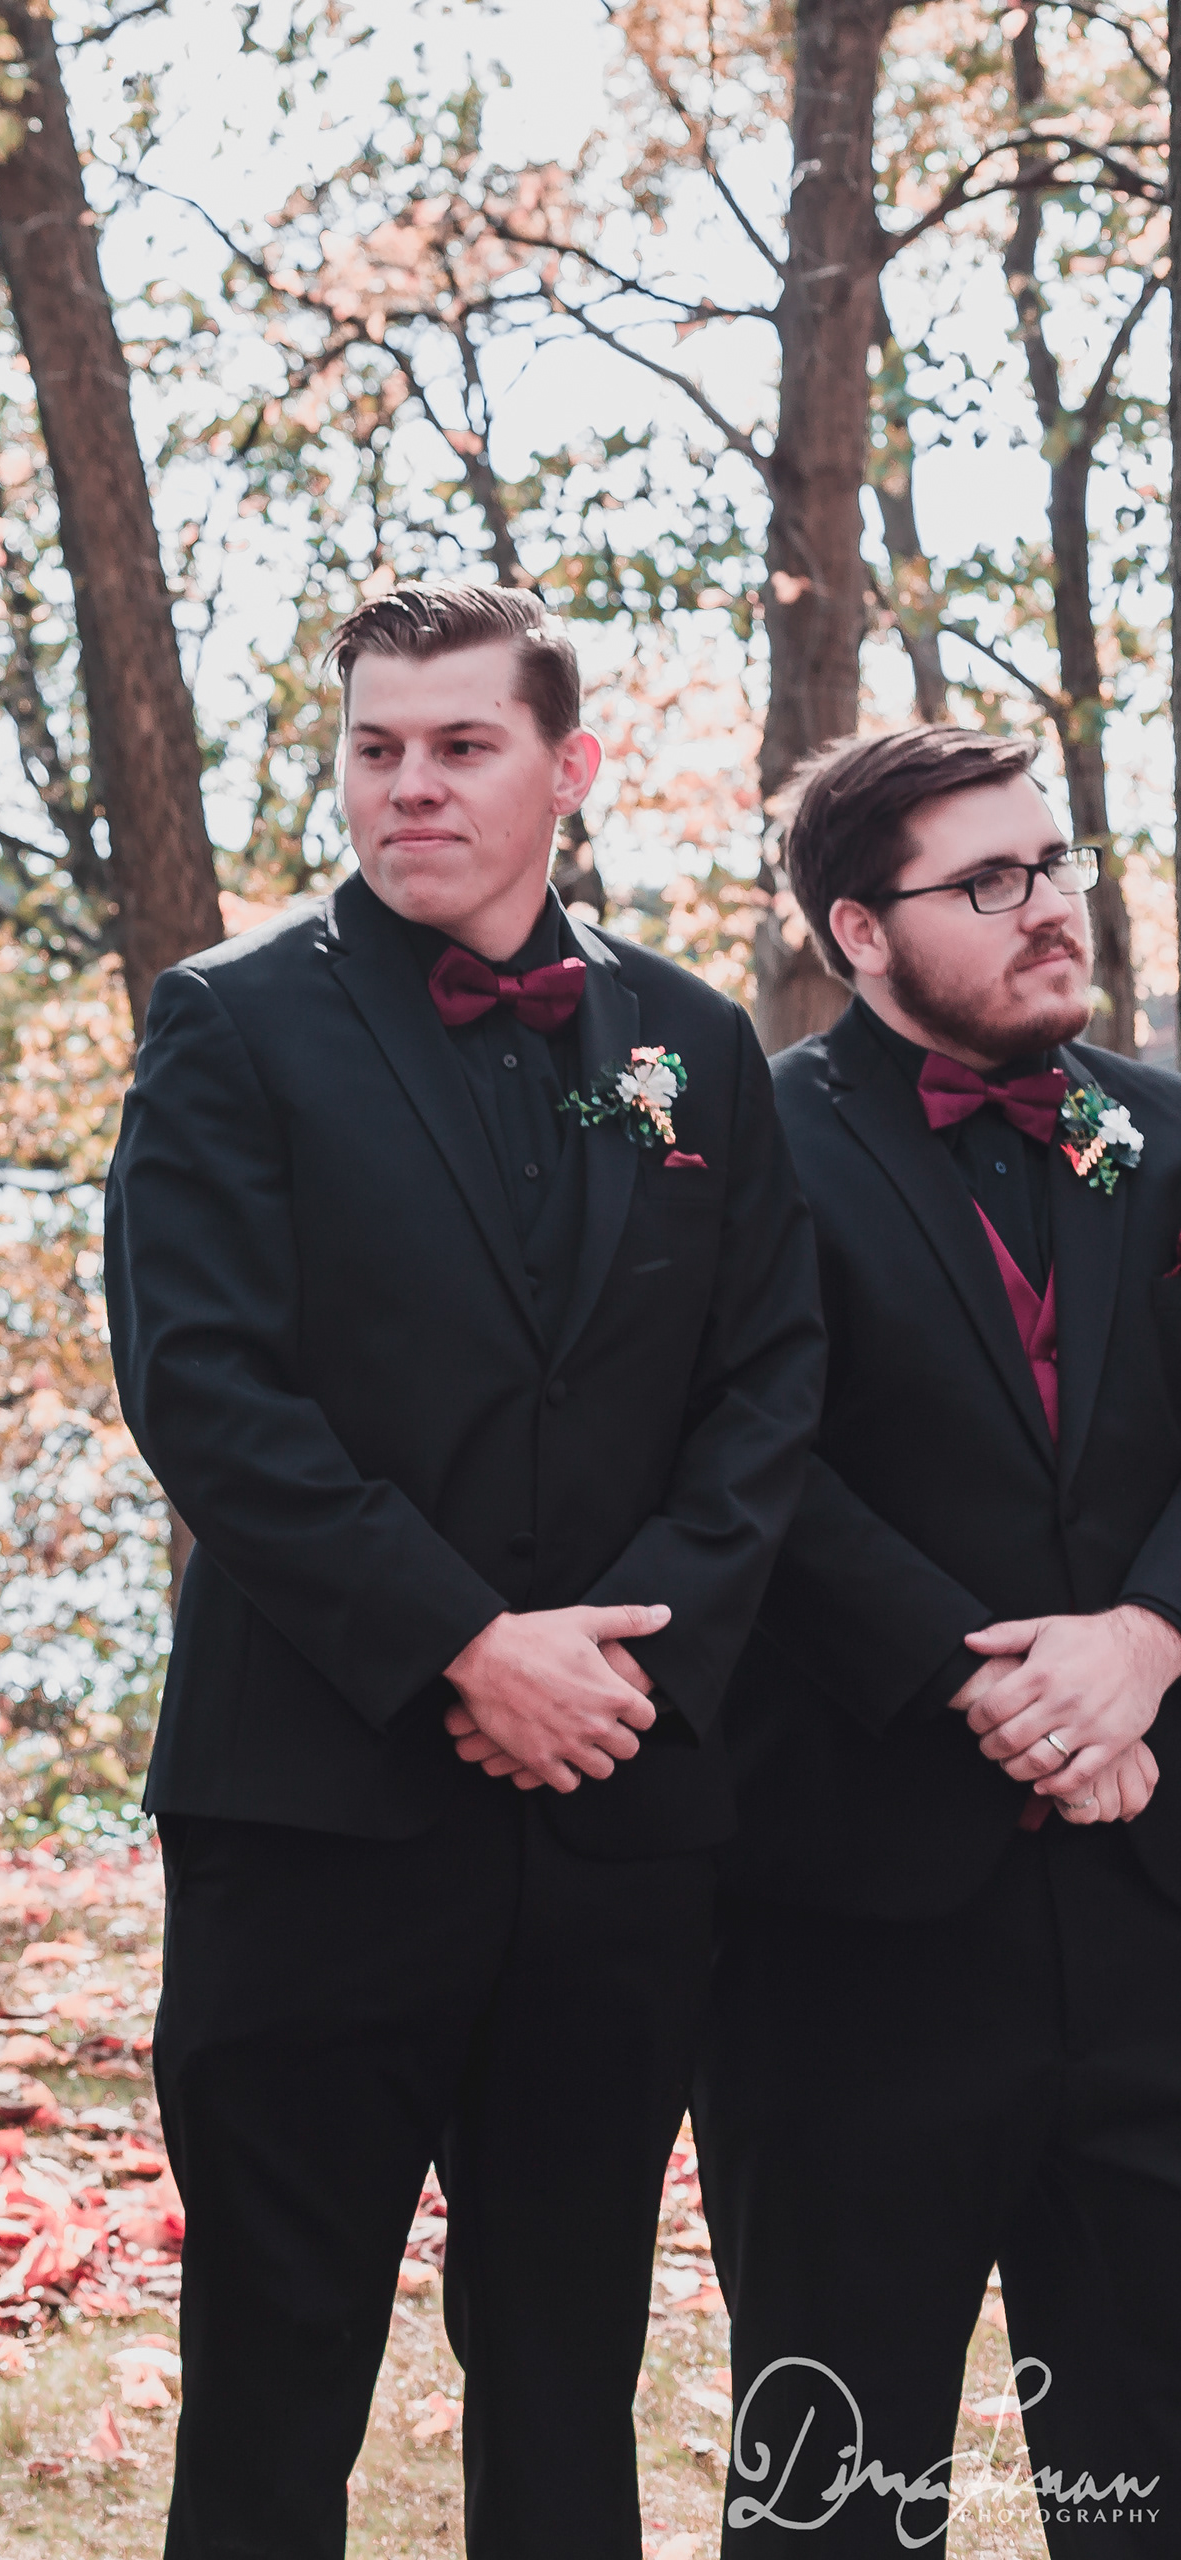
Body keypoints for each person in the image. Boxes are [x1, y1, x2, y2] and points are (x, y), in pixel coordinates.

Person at [105, 584, 825, 2556]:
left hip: (617, 1809)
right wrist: (462, 1643)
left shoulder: (693, 1041)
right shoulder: (231, 1021)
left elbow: (768, 1380)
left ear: (567, 769)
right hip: (313, 1808)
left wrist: (625, 1669)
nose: (408, 784)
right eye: (376, 748)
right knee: (275, 2378)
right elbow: (204, 1386)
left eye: (460, 746)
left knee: (570, 2365)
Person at [697, 726, 1181, 2549]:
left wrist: (1147, 1640)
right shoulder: (747, 1149)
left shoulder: (1167, 1132)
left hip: (1155, 1903)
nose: (1050, 909)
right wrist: (995, 1685)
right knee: (840, 2491)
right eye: (989, 884)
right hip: (853, 1925)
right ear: (859, 932)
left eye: (1054, 866)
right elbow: (743, 1460)